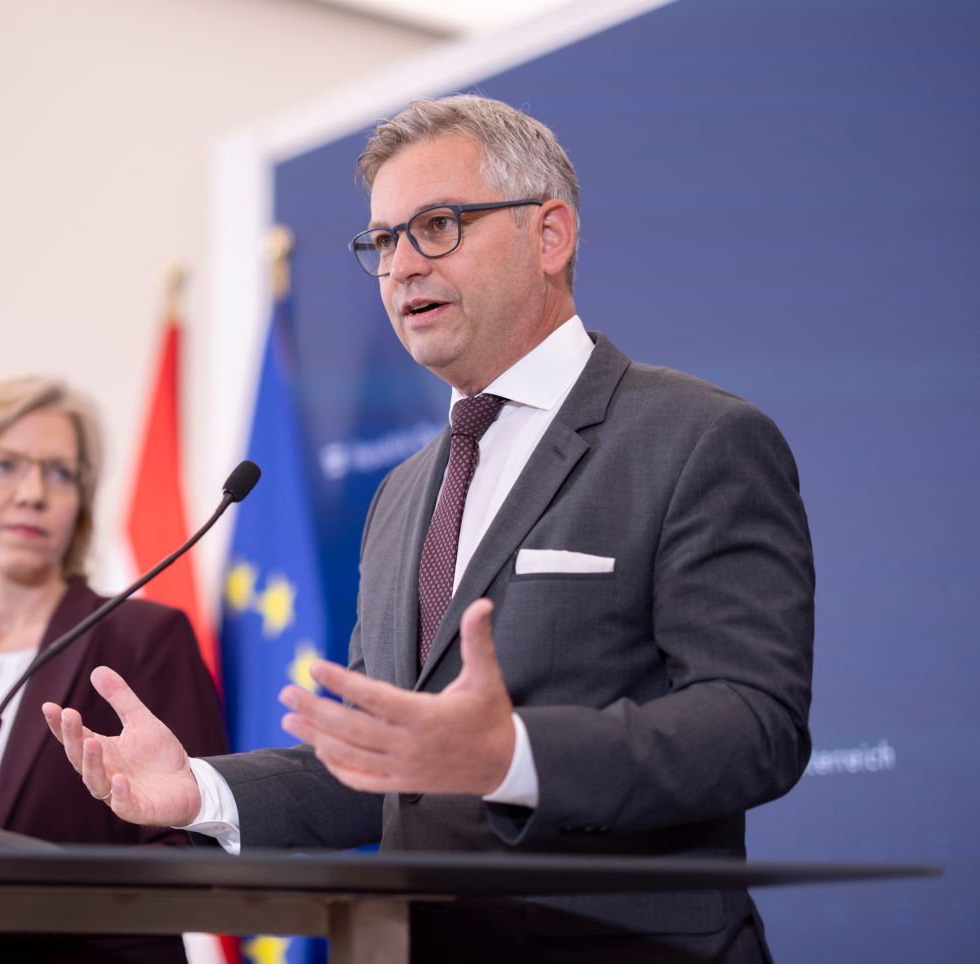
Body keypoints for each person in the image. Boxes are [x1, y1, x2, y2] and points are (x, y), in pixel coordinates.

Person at [43, 95, 813, 962]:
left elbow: (754, 724)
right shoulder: (404, 494)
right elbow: (381, 764)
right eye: (383, 241)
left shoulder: (697, 439)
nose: (402, 266)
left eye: (438, 226)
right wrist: (201, 791)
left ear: (550, 235)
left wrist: (512, 756)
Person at [0, 375, 230, 963]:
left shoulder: (142, 638)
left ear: (80, 506)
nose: (34, 493)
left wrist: (23, 888)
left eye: (60, 474)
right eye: (3, 466)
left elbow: (200, 851)